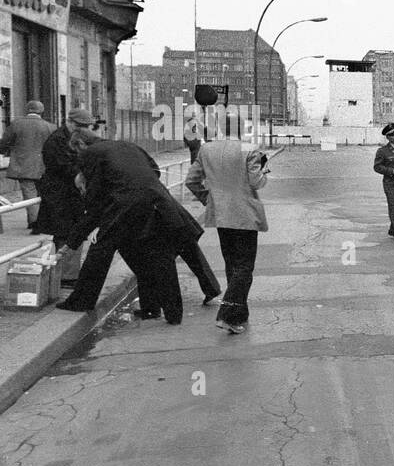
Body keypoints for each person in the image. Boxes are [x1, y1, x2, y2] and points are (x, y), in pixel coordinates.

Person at [55, 127, 197, 323]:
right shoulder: (127, 145)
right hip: (157, 202)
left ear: (80, 144)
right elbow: (154, 169)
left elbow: (96, 202)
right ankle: (167, 312)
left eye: (76, 150)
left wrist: (72, 241)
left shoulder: (91, 153)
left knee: (99, 251)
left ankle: (81, 301)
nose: (78, 155)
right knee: (157, 257)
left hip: (124, 207)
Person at [186, 139, 270, 335]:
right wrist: (265, 168)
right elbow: (256, 182)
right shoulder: (250, 149)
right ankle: (227, 315)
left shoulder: (206, 149)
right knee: (244, 267)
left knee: (232, 264)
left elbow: (191, 181)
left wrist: (209, 200)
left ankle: (240, 312)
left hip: (222, 216)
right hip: (245, 215)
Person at [34, 109, 87, 257]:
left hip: (70, 194)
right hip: (60, 193)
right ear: (69, 122)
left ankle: (68, 273)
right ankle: (66, 275)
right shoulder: (57, 140)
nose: (83, 129)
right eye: (79, 125)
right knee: (65, 232)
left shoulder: (72, 138)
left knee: (73, 231)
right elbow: (64, 166)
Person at [0, 100, 56, 230]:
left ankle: (35, 222)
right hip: (44, 166)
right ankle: (43, 220)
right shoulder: (50, 127)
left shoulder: (16, 124)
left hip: (23, 165)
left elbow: (5, 143)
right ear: (42, 111)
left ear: (27, 110)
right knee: (43, 193)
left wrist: (5, 151)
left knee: (29, 193)